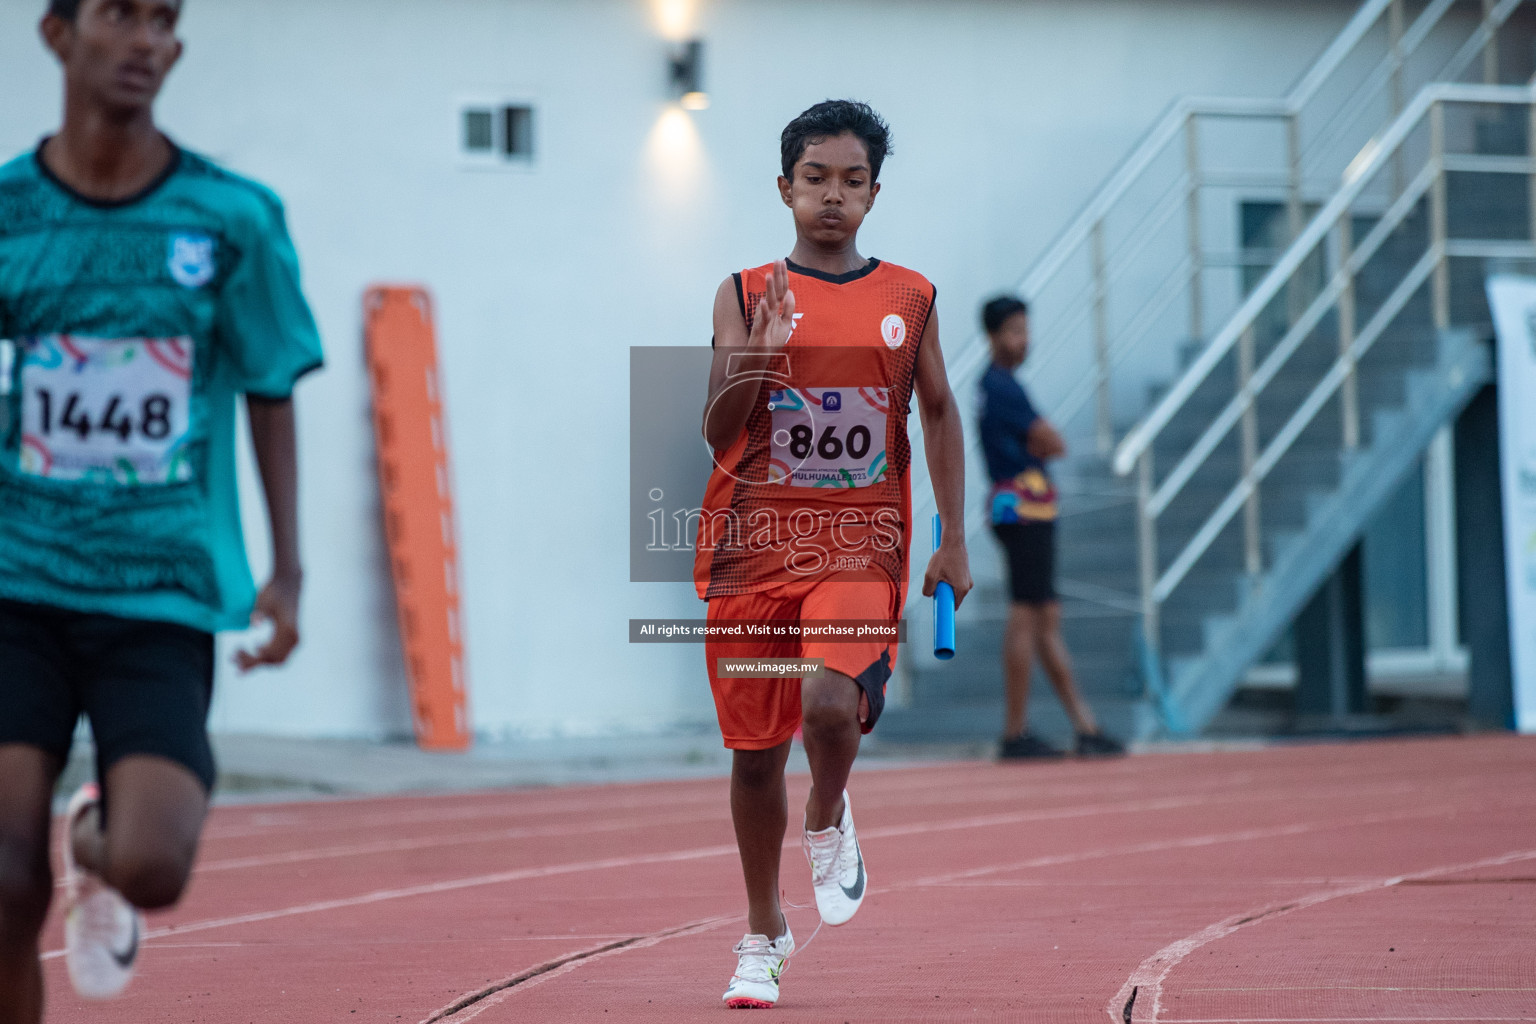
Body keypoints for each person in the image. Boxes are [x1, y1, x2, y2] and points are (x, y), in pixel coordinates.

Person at [0, 1, 323, 1018]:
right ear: (57, 34)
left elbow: (271, 384)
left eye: (164, 20)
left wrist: (288, 571)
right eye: (118, 14)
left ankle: (92, 839)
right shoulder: (11, 212)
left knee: (153, 866)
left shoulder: (232, 217)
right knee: (3, 883)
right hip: (19, 578)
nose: (145, 40)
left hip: (163, 585)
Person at [696, 99, 972, 1008]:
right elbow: (716, 431)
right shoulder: (744, 293)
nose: (832, 196)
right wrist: (759, 361)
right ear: (784, 188)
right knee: (752, 758)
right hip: (750, 548)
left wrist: (953, 538)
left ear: (874, 194)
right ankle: (762, 930)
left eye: (852, 181)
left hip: (860, 546)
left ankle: (828, 812)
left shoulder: (911, 297)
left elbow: (936, 411)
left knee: (826, 706)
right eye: (815, 178)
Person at [978, 296, 1123, 760]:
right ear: (994, 336)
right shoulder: (1003, 387)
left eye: (1025, 329)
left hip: (1017, 508)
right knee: (1027, 614)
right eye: (1015, 330)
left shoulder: (996, 386)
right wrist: (1040, 444)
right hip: (1025, 509)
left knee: (1044, 618)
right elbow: (1052, 440)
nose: (1024, 340)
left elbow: (1047, 440)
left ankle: (1083, 725)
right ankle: (1015, 731)